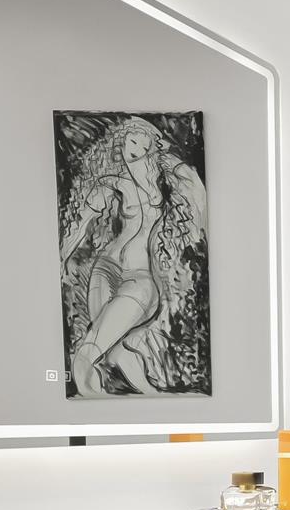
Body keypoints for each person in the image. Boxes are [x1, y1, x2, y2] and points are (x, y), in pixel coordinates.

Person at [59, 116, 208, 396]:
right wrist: (62, 257)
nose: (135, 146)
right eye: (132, 139)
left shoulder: (163, 184)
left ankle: (95, 411)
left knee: (87, 353)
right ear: (122, 142)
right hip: (105, 269)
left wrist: (166, 155)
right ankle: (150, 396)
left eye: (143, 141)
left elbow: (195, 185)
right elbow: (81, 223)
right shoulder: (112, 184)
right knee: (112, 349)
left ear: (154, 147)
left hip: (140, 279)